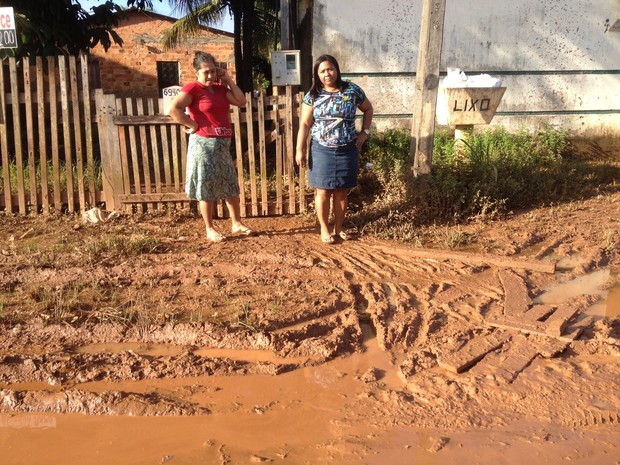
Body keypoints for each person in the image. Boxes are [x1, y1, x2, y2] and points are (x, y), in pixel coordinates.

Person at [169, 51, 255, 243]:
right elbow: (173, 109)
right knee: (205, 186)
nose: (210, 76)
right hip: (203, 145)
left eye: (213, 71)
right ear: (196, 72)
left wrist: (228, 80)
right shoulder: (192, 88)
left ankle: (236, 223)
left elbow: (241, 101)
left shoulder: (220, 89)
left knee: (230, 184)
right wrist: (192, 125)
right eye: (206, 72)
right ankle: (209, 228)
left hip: (223, 144)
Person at [295, 54, 373, 244]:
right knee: (322, 192)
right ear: (317, 75)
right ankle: (324, 228)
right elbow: (305, 124)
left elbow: (368, 109)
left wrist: (365, 132)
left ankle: (339, 228)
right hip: (321, 150)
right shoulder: (312, 96)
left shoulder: (352, 90)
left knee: (341, 192)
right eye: (322, 71)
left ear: (336, 69)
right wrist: (300, 149)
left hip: (347, 149)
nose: (327, 74)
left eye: (330, 69)